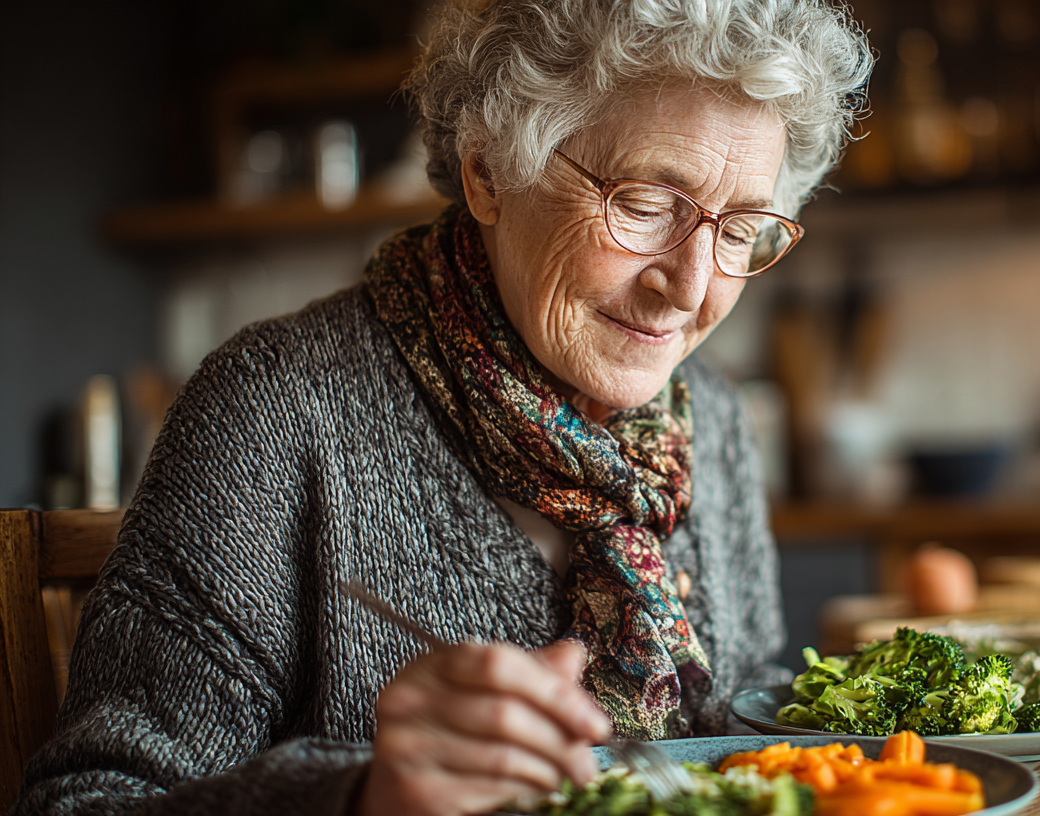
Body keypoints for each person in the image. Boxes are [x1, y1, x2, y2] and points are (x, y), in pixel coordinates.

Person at [13, 1, 872, 815]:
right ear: (490, 171)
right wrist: (358, 797)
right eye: (644, 205)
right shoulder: (278, 411)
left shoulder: (711, 420)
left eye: (738, 229)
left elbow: (748, 717)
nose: (688, 289)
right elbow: (87, 801)